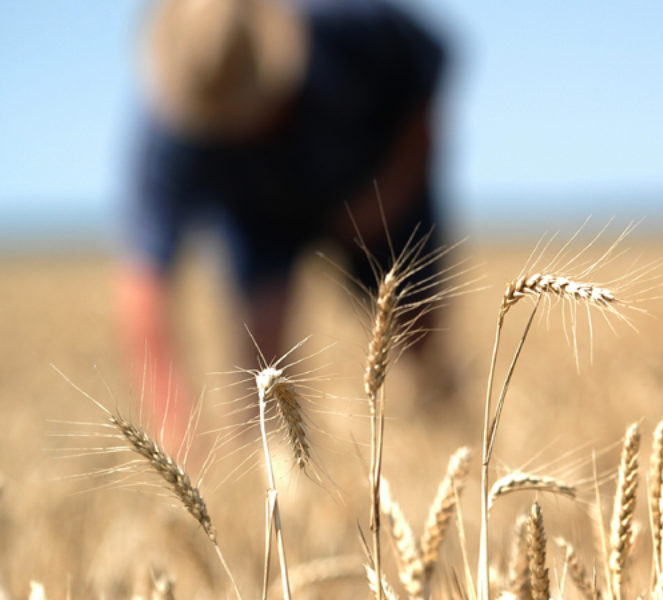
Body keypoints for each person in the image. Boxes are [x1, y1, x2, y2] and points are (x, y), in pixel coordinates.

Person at [119, 0, 449, 444]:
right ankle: (277, 489)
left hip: (372, 187)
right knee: (262, 371)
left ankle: (448, 429)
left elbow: (426, 80)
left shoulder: (348, 28)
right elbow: (144, 284)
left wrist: (389, 194)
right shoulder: (170, 133)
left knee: (419, 333)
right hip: (260, 218)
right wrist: (174, 430)